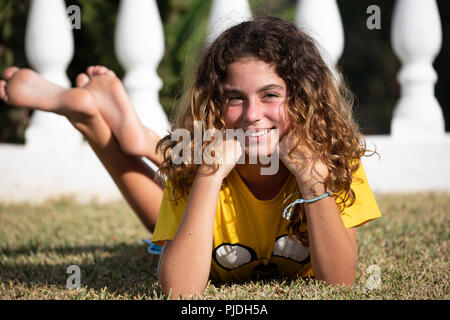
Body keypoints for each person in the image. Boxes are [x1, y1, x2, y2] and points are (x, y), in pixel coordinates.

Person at [0, 16, 381, 300]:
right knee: (180, 189)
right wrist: (209, 175)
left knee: (161, 216)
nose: (251, 113)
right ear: (216, 103)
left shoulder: (334, 158)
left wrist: (312, 181)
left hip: (208, 186)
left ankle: (106, 127)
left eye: (270, 95)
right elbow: (180, 292)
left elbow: (340, 282)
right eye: (235, 98)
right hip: (200, 177)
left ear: (303, 97)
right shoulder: (201, 163)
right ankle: (121, 132)